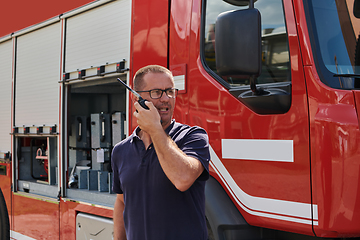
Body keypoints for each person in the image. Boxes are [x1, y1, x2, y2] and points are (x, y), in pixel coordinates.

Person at [112, 65, 210, 240]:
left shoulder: (193, 137)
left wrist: (156, 129)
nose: (166, 99)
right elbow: (122, 201)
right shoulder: (121, 150)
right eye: (157, 92)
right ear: (137, 98)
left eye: (170, 91)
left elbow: (183, 179)